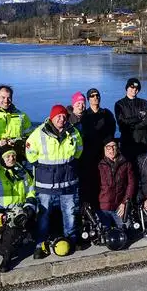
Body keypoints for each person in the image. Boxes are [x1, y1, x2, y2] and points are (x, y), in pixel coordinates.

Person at [25, 104, 83, 259]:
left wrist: (70, 165)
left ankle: (71, 239)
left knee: (70, 212)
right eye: (58, 116)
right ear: (52, 117)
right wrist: (42, 166)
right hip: (46, 183)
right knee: (43, 214)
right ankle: (41, 243)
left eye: (64, 116)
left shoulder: (73, 132)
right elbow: (30, 153)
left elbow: (79, 150)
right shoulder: (39, 133)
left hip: (68, 180)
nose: (61, 119)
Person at [0, 148, 37, 273]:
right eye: (8, 156)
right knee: (13, 237)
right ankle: (7, 257)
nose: (11, 159)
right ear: (2, 159)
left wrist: (29, 207)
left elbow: (31, 191)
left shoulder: (23, 173)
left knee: (16, 236)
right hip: (1, 213)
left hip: (20, 211)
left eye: (13, 156)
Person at [79, 88, 117, 205]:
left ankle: (105, 203)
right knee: (90, 179)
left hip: (104, 152)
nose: (95, 98)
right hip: (89, 153)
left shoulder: (106, 113)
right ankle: (90, 204)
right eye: (92, 96)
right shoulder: (84, 116)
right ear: (88, 99)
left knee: (106, 179)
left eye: (97, 95)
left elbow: (112, 131)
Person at [95, 138, 135, 229]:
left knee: (127, 229)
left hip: (119, 207)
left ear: (117, 147)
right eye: (108, 147)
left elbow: (131, 184)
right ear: (104, 149)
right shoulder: (98, 165)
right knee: (103, 235)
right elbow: (92, 187)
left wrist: (125, 202)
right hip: (103, 208)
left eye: (114, 146)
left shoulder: (126, 163)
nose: (112, 150)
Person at [114, 78, 147, 165]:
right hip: (128, 141)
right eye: (132, 87)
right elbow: (122, 123)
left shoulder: (145, 103)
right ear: (127, 88)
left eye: (136, 88)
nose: (134, 90)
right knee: (130, 170)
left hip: (144, 142)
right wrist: (139, 117)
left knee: (145, 169)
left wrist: (133, 125)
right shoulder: (119, 104)